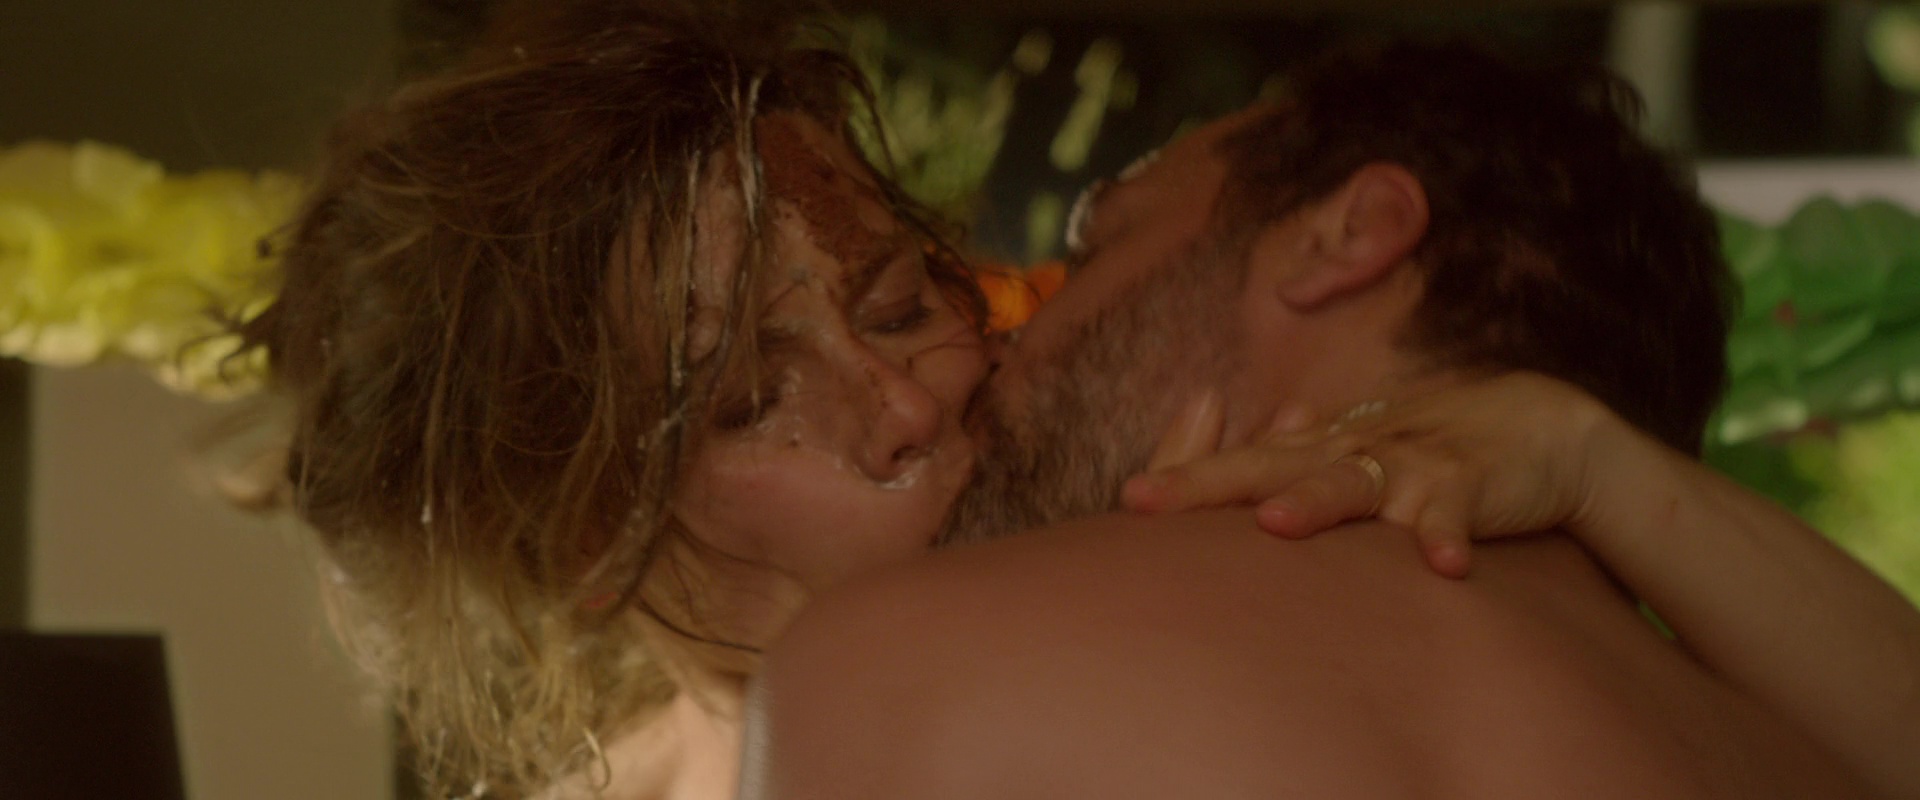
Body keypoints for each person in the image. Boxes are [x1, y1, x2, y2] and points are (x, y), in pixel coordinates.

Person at [743, 41, 1920, 800]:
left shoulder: (911, 665)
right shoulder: (1810, 750)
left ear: (1347, 237)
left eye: (1097, 247)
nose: (1010, 342)